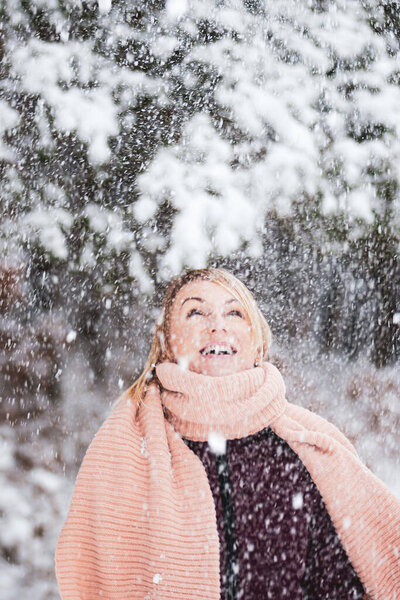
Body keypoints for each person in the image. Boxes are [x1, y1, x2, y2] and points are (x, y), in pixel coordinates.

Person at [55, 267, 400, 600]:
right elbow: (91, 577)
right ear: (167, 344)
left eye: (234, 313)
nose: (217, 325)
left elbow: (342, 582)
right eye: (195, 313)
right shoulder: (127, 447)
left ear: (256, 342)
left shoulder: (309, 446)